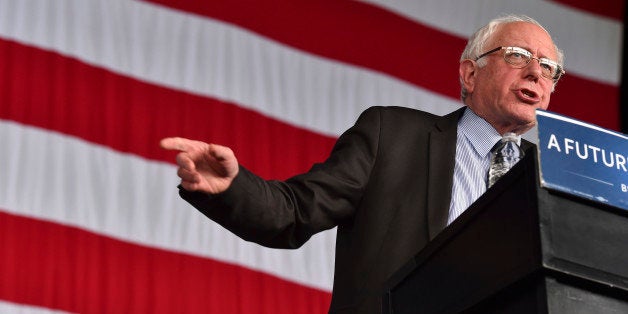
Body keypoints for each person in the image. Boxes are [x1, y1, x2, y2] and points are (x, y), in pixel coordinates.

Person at [160, 14, 564, 313]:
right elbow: (294, 213)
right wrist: (232, 187)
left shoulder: (554, 179)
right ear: (470, 73)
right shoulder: (393, 136)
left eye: (549, 69)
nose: (536, 73)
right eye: (517, 55)